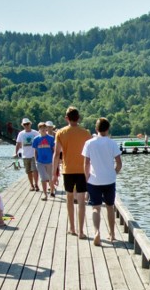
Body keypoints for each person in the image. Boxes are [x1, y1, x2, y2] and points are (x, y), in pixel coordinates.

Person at [52, 106, 92, 239]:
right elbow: (90, 154)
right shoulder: (86, 133)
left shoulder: (60, 133)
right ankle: (81, 231)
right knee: (81, 200)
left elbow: (56, 154)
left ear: (66, 118)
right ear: (78, 118)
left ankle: (72, 228)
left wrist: (54, 173)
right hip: (82, 170)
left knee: (69, 198)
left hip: (67, 170)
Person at [83, 117, 122, 247]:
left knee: (96, 208)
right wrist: (114, 172)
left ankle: (97, 232)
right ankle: (112, 234)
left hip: (94, 180)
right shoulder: (112, 143)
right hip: (109, 180)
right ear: (108, 128)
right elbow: (119, 163)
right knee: (110, 207)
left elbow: (86, 164)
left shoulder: (89, 143)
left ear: (96, 129)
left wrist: (86, 178)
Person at [32, 122, 56, 200]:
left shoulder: (51, 138)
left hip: (49, 161)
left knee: (50, 177)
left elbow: (53, 150)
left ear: (46, 129)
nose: (42, 129)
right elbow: (35, 151)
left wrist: (55, 160)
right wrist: (36, 160)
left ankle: (52, 190)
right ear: (39, 129)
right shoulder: (36, 139)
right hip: (40, 161)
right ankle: (45, 194)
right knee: (43, 178)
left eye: (44, 128)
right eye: (40, 128)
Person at [15, 117, 40, 191]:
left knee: (34, 170)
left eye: (27, 124)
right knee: (28, 171)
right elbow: (18, 143)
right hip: (25, 155)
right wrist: (15, 152)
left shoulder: (35, 133)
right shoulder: (21, 133)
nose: (26, 125)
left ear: (30, 124)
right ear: (23, 125)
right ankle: (31, 185)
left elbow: (40, 142)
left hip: (34, 154)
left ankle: (36, 184)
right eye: (25, 124)